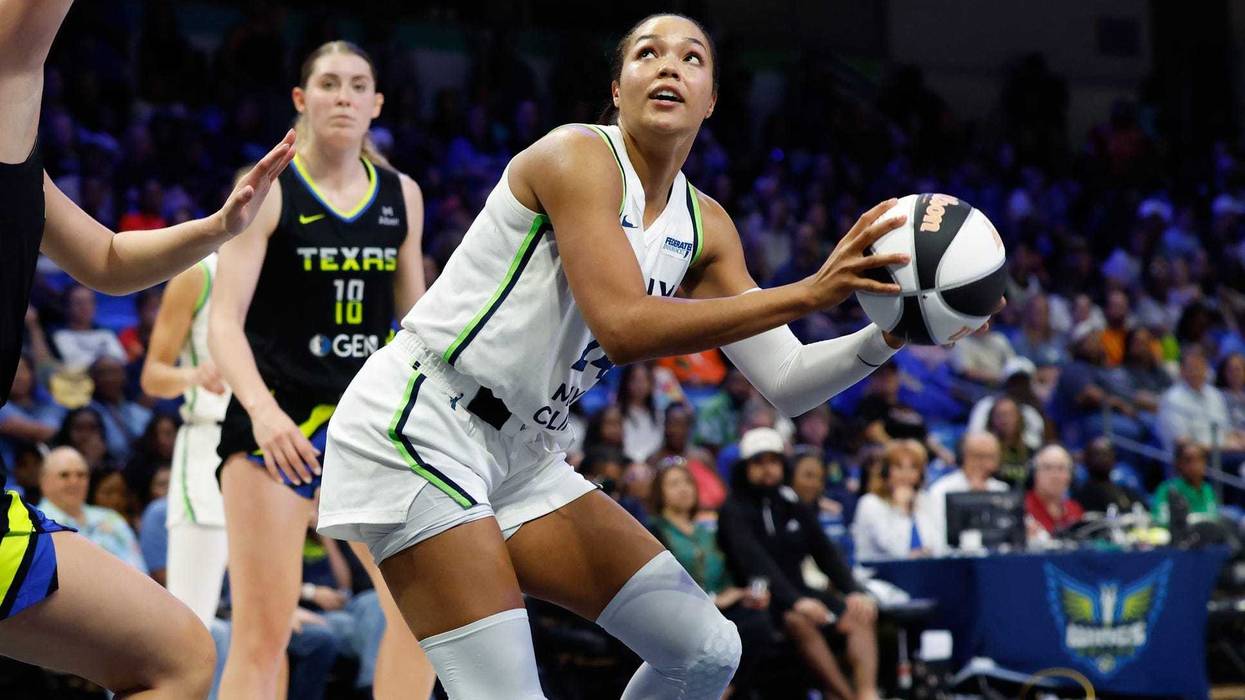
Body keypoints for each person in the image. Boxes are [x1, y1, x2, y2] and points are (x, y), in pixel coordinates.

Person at [316, 14, 922, 700]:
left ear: (712, 97)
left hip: (524, 458)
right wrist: (809, 293)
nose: (668, 66)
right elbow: (624, 324)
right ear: (617, 85)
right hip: (421, 424)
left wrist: (890, 334)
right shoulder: (575, 155)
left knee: (704, 650)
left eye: (691, 58)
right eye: (647, 53)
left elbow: (786, 380)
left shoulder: (705, 224)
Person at [0, 4, 291, 692]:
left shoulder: (20, 173)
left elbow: (105, 257)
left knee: (180, 657)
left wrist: (218, 228)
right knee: (178, 657)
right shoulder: (9, 79)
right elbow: (18, 48)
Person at [209, 40, 432, 699]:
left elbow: (416, 328)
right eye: (329, 84)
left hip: (368, 427)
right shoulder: (268, 188)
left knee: (422, 621)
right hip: (278, 426)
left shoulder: (402, 196)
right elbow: (222, 321)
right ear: (301, 100)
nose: (344, 96)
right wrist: (263, 413)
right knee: (263, 636)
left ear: (376, 103)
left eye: (357, 85)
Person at [718, 428, 880, 700]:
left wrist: (853, 590)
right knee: (798, 619)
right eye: (759, 462)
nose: (768, 469)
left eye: (773, 461)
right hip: (760, 599)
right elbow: (754, 562)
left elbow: (825, 552)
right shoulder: (733, 508)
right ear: (746, 467)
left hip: (800, 589)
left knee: (858, 613)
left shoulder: (790, 502)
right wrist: (795, 601)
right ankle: (844, 696)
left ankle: (867, 692)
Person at [140, 253, 232, 625]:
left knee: (269, 627)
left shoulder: (296, 268)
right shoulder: (199, 274)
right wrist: (193, 375)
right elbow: (152, 375)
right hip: (209, 448)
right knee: (192, 620)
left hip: (274, 451)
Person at [647, 462, 773, 696]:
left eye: (687, 483)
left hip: (719, 608)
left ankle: (724, 692)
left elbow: (725, 578)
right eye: (674, 484)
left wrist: (741, 595)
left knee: (760, 623)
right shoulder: (654, 530)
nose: (683, 489)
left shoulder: (705, 532)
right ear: (659, 492)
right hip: (681, 612)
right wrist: (715, 600)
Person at [37, 448, 146, 573]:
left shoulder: (111, 518)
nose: (74, 481)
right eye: (64, 475)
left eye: (81, 475)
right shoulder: (33, 524)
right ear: (44, 481)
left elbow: (139, 569)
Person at [924, 432, 1009, 553]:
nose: (986, 463)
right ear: (965, 456)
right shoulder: (941, 490)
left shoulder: (1002, 490)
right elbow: (937, 538)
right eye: (979, 456)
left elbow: (1009, 536)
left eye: (992, 457)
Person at [852, 439, 936, 561]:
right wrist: (901, 509)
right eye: (899, 467)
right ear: (886, 472)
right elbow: (896, 551)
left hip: (921, 572)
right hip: (879, 575)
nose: (905, 474)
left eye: (913, 467)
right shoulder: (870, 504)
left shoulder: (925, 500)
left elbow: (937, 547)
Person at [1024, 444, 1084, 540]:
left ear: (1070, 476)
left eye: (1061, 468)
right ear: (1034, 473)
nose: (1055, 475)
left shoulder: (1075, 510)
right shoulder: (1022, 508)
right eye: (1048, 468)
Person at [1153, 442, 1220, 526]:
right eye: (1188, 460)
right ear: (1178, 464)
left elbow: (1214, 519)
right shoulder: (1168, 489)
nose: (1195, 465)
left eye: (1199, 459)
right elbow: (1160, 520)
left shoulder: (1208, 489)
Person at [1072, 436, 1143, 513]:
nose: (1103, 459)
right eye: (1097, 454)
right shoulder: (1082, 496)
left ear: (1114, 458)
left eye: (1107, 454)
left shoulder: (1124, 489)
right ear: (1086, 459)